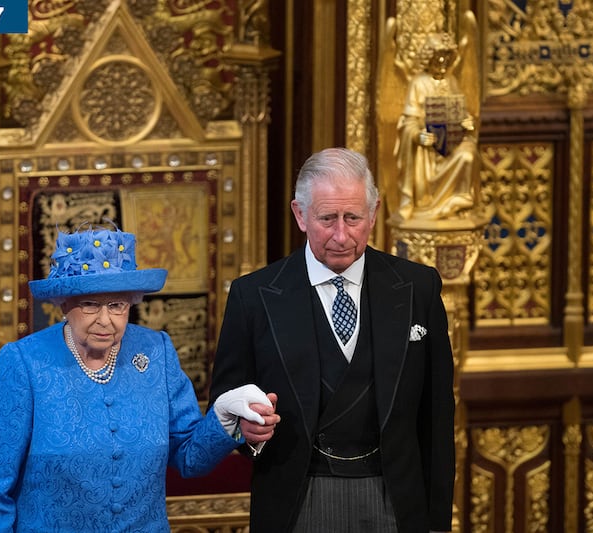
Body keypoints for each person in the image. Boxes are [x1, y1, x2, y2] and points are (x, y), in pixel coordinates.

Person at [0, 223, 279, 532]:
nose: (105, 320)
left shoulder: (156, 351)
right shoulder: (24, 363)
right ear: (64, 303)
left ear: (131, 302)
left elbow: (190, 457)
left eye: (117, 305)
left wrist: (224, 416)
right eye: (90, 304)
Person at [209, 147, 455, 532]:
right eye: (327, 218)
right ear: (300, 215)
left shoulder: (417, 288)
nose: (341, 235)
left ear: (373, 214)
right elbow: (226, 402)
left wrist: (438, 523)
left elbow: (437, 417)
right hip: (298, 500)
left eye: (353, 217)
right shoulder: (253, 296)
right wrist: (248, 432)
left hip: (396, 498)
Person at [393, 32, 479, 223]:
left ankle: (459, 200)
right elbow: (409, 122)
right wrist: (418, 136)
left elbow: (462, 113)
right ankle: (425, 204)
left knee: (469, 154)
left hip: (452, 144)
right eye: (438, 60)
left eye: (446, 61)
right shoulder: (418, 83)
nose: (442, 65)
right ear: (429, 58)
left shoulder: (451, 81)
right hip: (427, 150)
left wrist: (468, 123)